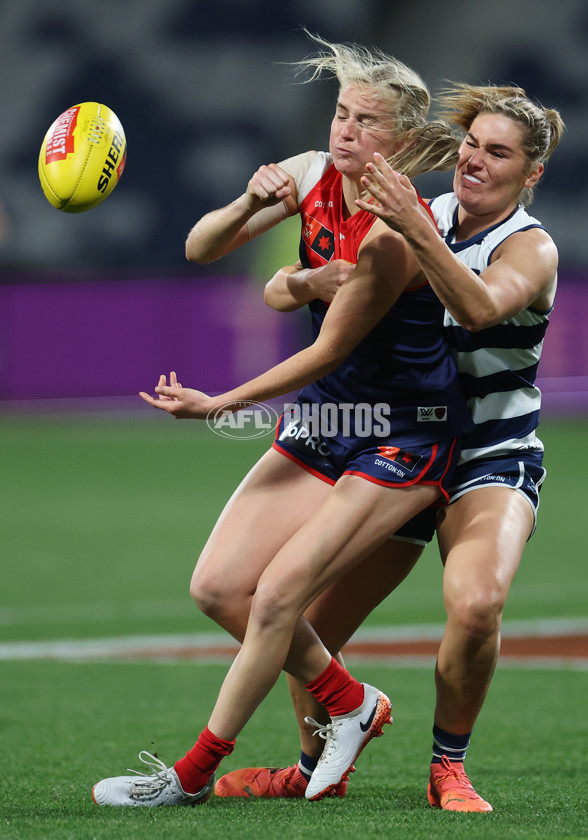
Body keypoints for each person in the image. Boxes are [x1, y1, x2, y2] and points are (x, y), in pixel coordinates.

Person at [91, 35, 472, 807]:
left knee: (273, 598)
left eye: (367, 121)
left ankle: (191, 775)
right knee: (217, 588)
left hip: (404, 427)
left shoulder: (397, 233)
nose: (345, 131)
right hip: (330, 415)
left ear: (399, 142)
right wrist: (252, 202)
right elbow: (202, 247)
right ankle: (351, 702)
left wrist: (221, 401)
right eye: (341, 112)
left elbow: (328, 346)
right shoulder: (309, 171)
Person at [215, 84, 565, 812]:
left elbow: (476, 308)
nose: (475, 159)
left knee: (475, 605)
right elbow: (314, 292)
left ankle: (448, 767)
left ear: (530, 174)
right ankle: (315, 765)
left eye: (499, 152)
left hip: (489, 456)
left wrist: (413, 228)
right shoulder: (416, 211)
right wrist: (301, 277)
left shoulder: (529, 247)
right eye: (472, 143)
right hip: (402, 443)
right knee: (305, 617)